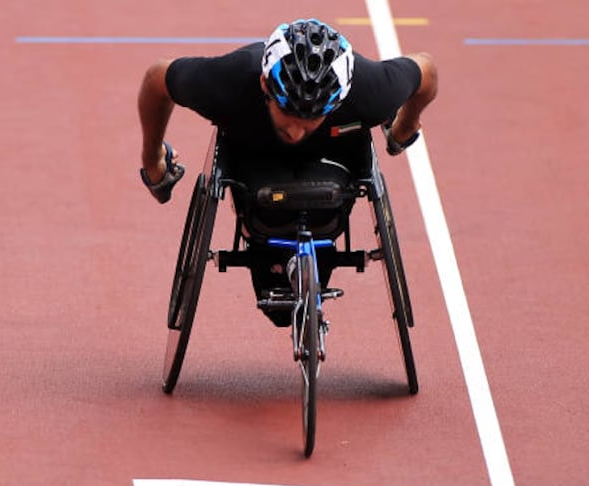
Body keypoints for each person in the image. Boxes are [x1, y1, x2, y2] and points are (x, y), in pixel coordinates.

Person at [137, 18, 438, 325]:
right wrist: (152, 159)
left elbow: (426, 70)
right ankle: (260, 239)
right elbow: (157, 78)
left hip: (332, 160)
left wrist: (406, 124)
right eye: (286, 118)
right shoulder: (228, 81)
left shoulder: (371, 90)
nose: (295, 132)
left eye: (308, 120)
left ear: (336, 103)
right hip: (253, 158)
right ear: (265, 84)